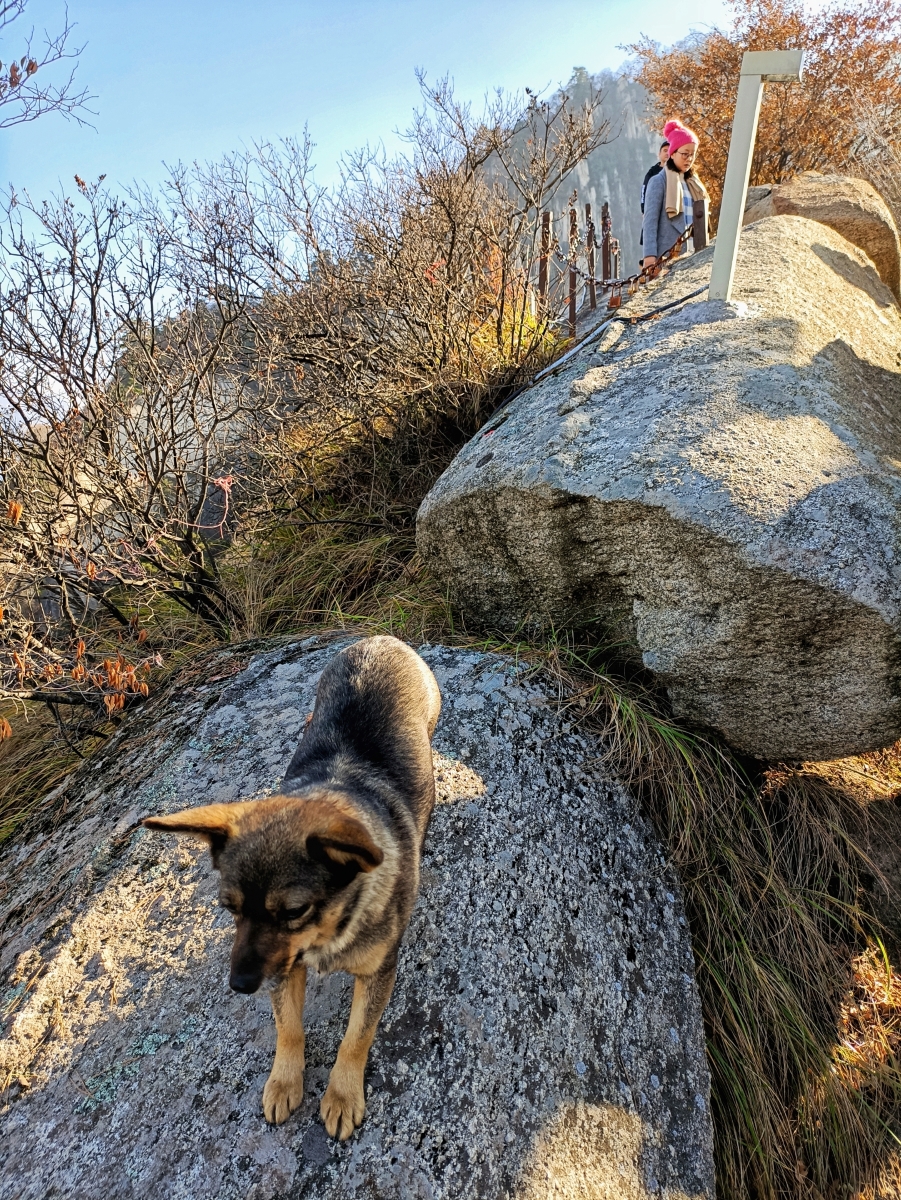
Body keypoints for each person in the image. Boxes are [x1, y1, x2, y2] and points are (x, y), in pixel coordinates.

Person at [641, 120, 709, 272]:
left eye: (692, 155)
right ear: (672, 153)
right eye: (685, 154)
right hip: (668, 255)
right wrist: (649, 256)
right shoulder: (658, 181)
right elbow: (649, 222)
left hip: (696, 252)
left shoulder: (693, 183)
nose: (689, 159)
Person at [638, 140, 669, 263]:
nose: (667, 153)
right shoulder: (652, 173)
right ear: (659, 154)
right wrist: (644, 210)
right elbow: (644, 192)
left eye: (670, 150)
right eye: (664, 150)